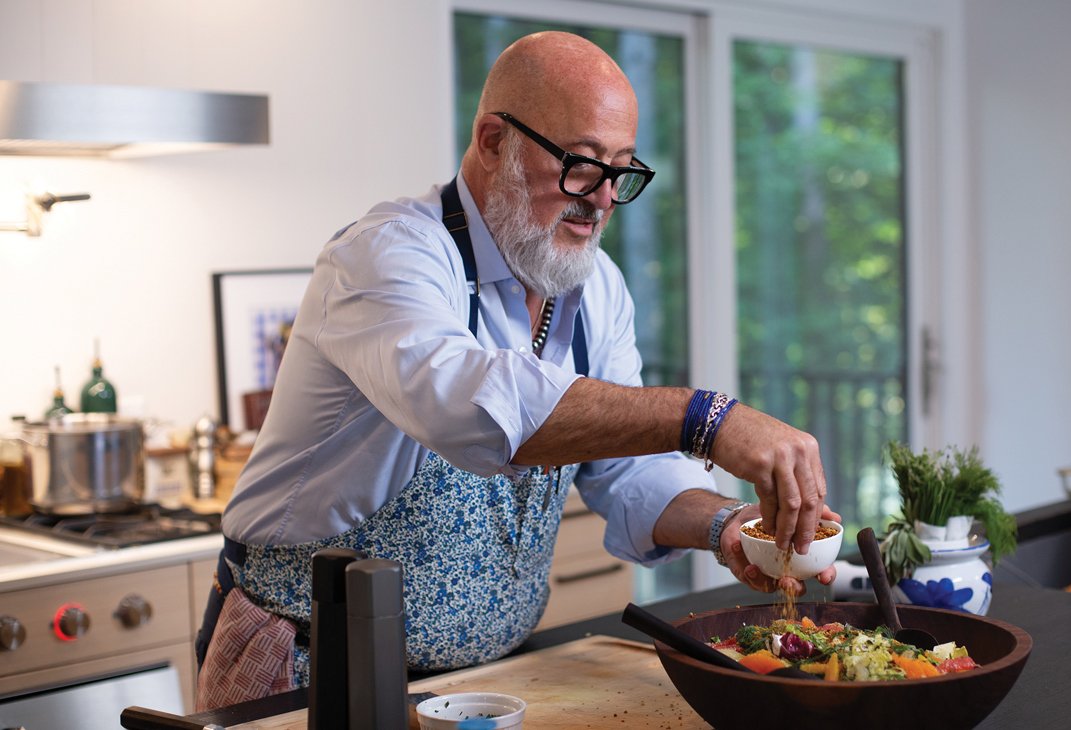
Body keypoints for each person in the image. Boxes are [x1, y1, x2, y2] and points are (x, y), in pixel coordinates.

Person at [194, 30, 837, 709]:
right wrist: (708, 419)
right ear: (494, 140)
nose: (603, 199)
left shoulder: (594, 286)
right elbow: (472, 410)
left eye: (621, 171)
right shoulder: (387, 255)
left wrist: (728, 525)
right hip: (309, 668)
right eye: (582, 165)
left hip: (484, 684)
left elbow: (628, 470)